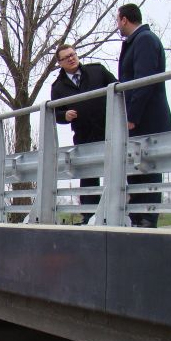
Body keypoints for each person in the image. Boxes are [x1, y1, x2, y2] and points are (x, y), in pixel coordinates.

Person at [117, 3, 171, 228]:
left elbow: (144, 81)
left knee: (148, 169)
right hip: (140, 121)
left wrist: (132, 116)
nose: (118, 26)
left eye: (118, 21)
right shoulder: (138, 41)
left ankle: (147, 218)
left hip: (146, 120)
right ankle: (138, 217)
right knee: (137, 168)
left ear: (124, 20)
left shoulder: (145, 40)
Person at [51, 44, 117, 224]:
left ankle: (123, 212)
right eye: (66, 57)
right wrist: (64, 115)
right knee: (88, 176)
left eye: (73, 54)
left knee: (117, 168)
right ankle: (89, 215)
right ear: (60, 63)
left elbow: (118, 88)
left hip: (108, 129)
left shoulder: (97, 71)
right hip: (83, 134)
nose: (71, 58)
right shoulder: (57, 87)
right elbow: (54, 113)